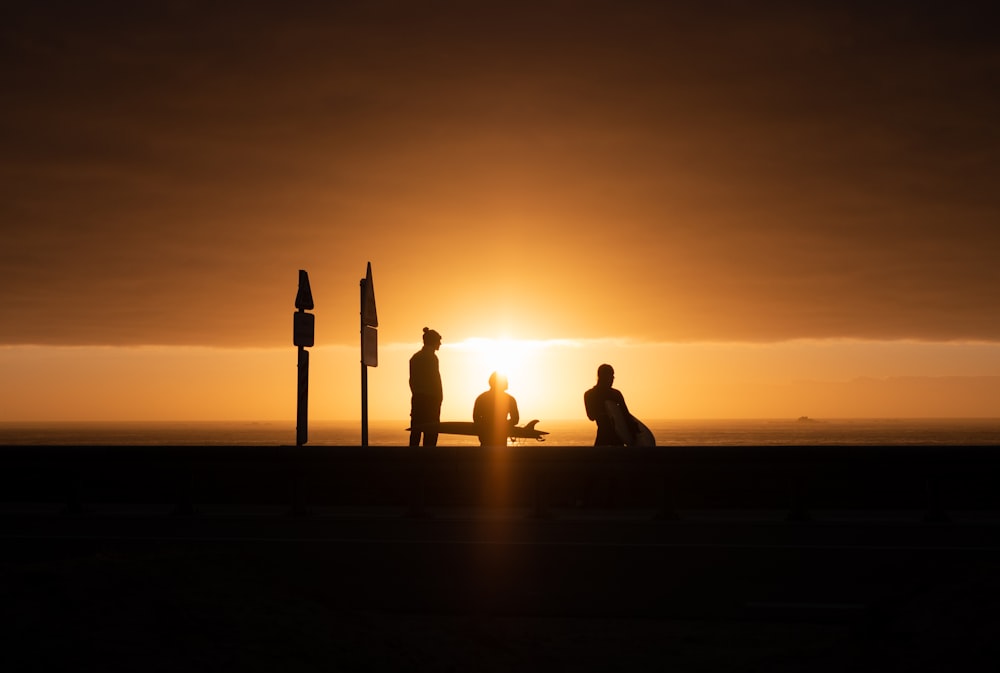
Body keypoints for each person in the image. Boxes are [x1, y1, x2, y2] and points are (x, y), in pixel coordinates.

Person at [584, 364, 637, 446]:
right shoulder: (590, 394)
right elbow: (591, 416)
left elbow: (626, 415)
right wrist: (606, 412)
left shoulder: (616, 394)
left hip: (618, 438)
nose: (612, 379)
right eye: (610, 376)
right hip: (603, 436)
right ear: (601, 376)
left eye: (613, 376)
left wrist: (634, 433)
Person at [409, 327, 443, 447]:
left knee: (416, 431)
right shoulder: (431, 358)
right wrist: (438, 398)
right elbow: (434, 380)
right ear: (433, 342)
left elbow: (412, 381)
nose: (440, 344)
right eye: (439, 341)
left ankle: (413, 460)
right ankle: (428, 461)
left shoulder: (415, 357)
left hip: (418, 399)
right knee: (431, 433)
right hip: (430, 401)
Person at [473, 372, 520, 447]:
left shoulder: (481, 398)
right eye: (505, 381)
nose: (508, 383)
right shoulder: (510, 399)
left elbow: (476, 419)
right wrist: (502, 426)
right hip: (499, 437)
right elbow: (515, 419)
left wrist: (485, 428)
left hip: (486, 437)